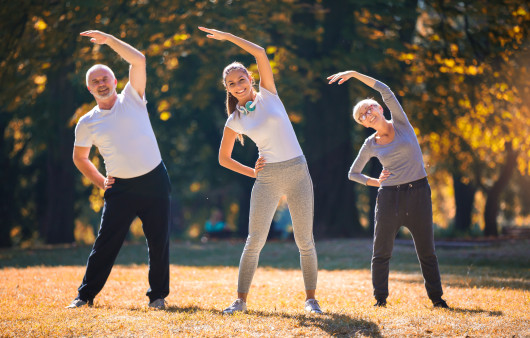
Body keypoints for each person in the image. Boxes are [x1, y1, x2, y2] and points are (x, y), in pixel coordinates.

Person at [198, 27, 321, 314]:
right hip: (267, 178)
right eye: (231, 83)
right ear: (227, 88)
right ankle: (240, 301)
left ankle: (311, 300)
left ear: (250, 79)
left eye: (242, 79)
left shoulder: (269, 94)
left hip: (298, 171)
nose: (238, 85)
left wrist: (227, 37)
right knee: (254, 241)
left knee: (305, 240)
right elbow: (224, 159)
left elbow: (260, 52)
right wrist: (253, 172)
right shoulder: (235, 119)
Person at [327, 70, 449, 309]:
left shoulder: (401, 124)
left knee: (427, 252)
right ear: (362, 124)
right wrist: (376, 182)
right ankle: (380, 299)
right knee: (381, 253)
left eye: (369, 109)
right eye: (362, 116)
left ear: (379, 108)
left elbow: (385, 89)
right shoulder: (370, 144)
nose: (367, 115)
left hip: (419, 193)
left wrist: (353, 74)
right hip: (389, 198)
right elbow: (353, 174)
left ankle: (437, 299)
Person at [67, 30, 171, 310]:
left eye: (104, 79)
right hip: (121, 190)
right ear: (89, 89)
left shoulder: (133, 98)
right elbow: (80, 158)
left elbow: (138, 60)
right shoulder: (87, 123)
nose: (101, 84)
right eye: (94, 82)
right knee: (105, 245)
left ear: (115, 81)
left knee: (158, 242)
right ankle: (84, 296)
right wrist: (102, 182)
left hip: (155, 180)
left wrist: (109, 40)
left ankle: (158, 296)